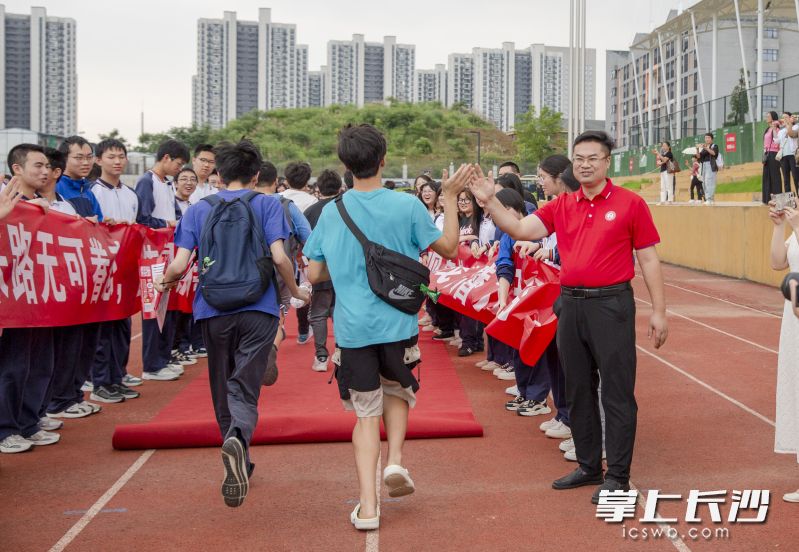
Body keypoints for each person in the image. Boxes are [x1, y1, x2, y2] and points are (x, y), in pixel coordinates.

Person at [471, 130, 668, 504]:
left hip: (611, 305)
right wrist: (490, 201)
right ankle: (590, 465)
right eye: (579, 158)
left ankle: (619, 477)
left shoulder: (630, 204)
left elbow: (648, 259)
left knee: (616, 392)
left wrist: (659, 311)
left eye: (593, 157)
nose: (585, 164)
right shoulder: (563, 204)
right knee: (576, 388)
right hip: (570, 304)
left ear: (607, 162)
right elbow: (520, 228)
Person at [304, 124, 468, 530]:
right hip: (399, 323)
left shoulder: (331, 211)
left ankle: (369, 506)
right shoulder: (407, 207)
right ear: (383, 159)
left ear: (345, 164)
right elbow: (449, 248)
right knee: (397, 391)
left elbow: (314, 271)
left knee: (364, 415)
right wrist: (447, 197)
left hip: (353, 327)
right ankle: (395, 460)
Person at [156, 140, 309, 508]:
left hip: (212, 308)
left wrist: (161, 288)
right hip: (259, 308)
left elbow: (178, 265)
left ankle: (234, 443)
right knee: (245, 382)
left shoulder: (198, 210)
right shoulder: (268, 204)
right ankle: (239, 439)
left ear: (219, 175)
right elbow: (279, 257)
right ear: (257, 174)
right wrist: (295, 291)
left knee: (221, 383)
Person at [0, 145, 60, 454]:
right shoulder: (7, 203)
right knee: (15, 364)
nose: (45, 171)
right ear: (17, 169)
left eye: (47, 166)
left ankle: (29, 421)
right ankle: (6, 429)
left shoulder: (48, 206)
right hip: (15, 298)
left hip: (42, 297)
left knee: (41, 362)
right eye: (37, 165)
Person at [88, 138, 141, 403]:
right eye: (111, 156)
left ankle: (117, 376)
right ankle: (101, 382)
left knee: (122, 326)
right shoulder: (92, 193)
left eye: (121, 156)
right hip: (102, 271)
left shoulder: (131, 195)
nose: (117, 161)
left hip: (126, 272)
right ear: (99, 160)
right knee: (103, 329)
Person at [135, 139, 190, 381]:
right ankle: (152, 365)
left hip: (167, 252)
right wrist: (166, 224)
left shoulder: (166, 184)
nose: (180, 169)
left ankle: (163, 358)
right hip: (151, 255)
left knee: (166, 308)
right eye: (178, 164)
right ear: (166, 158)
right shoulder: (147, 182)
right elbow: (142, 218)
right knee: (153, 309)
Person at [254, 161, 312, 376]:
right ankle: (272, 346)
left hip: (246, 273)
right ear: (276, 182)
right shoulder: (285, 205)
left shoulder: (240, 202)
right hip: (280, 271)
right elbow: (309, 238)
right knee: (277, 317)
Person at [768, 197, 799, 503]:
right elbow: (778, 263)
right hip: (794, 320)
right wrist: (780, 228)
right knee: (796, 391)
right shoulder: (794, 225)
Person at [303, 169, 342, 372]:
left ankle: (321, 355)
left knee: (318, 313)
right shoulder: (345, 207)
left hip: (319, 269)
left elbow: (304, 241)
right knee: (340, 311)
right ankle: (341, 350)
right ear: (340, 188)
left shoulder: (310, 212)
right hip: (344, 269)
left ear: (318, 188)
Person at [281, 162, 317, 345]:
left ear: (286, 180)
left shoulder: (278, 198)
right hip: (304, 253)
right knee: (303, 289)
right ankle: (303, 330)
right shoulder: (311, 201)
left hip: (280, 250)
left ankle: (279, 324)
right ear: (307, 180)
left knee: (281, 289)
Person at [56, 136, 104, 221]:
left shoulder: (88, 192)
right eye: (79, 158)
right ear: (63, 159)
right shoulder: (55, 187)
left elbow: (99, 222)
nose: (86, 162)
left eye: (89, 157)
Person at [763, 111, 783, 204]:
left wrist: (775, 128)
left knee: (775, 176)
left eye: (768, 116)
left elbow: (776, 141)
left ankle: (778, 198)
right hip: (767, 154)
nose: (767, 117)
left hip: (774, 154)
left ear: (773, 117)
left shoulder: (776, 129)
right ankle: (767, 199)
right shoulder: (767, 129)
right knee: (767, 176)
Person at [777, 112, 799, 195]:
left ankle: (798, 197)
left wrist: (789, 123)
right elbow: (777, 141)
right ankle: (788, 199)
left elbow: (791, 134)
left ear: (790, 118)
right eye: (783, 117)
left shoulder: (796, 126)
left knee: (796, 176)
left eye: (786, 117)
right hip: (783, 156)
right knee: (786, 179)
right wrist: (775, 129)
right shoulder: (781, 131)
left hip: (793, 155)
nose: (784, 119)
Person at [698, 133, 720, 204]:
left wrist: (706, 148)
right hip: (704, 165)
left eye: (708, 138)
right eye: (706, 138)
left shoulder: (714, 146)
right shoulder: (704, 148)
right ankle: (708, 199)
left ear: (712, 139)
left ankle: (710, 199)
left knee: (709, 181)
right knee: (704, 182)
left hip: (710, 165)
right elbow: (699, 157)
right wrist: (697, 149)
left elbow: (713, 153)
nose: (707, 139)